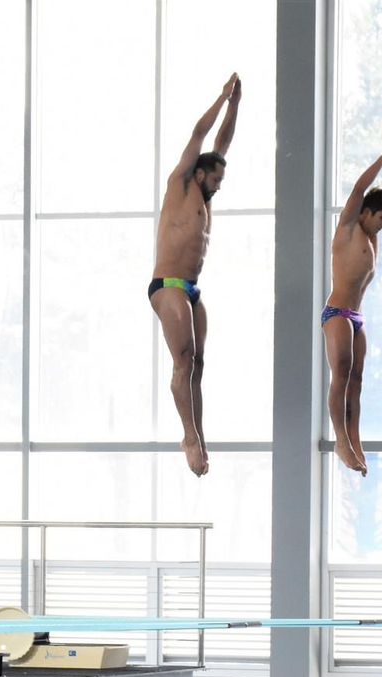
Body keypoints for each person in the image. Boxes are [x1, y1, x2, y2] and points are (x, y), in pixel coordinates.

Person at [150, 73, 241, 477]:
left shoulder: (204, 198)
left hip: (191, 289)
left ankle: (199, 435)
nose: (219, 186)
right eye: (215, 179)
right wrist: (222, 98)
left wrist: (237, 108)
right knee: (183, 361)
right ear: (200, 174)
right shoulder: (181, 184)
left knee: (198, 365)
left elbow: (222, 145)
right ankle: (188, 436)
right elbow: (201, 136)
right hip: (167, 285)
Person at [323, 122, 382, 476]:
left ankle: (354, 440)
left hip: (356, 317)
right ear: (366, 213)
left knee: (357, 381)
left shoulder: (372, 236)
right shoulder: (350, 227)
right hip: (337, 313)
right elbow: (360, 189)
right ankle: (340, 440)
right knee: (340, 375)